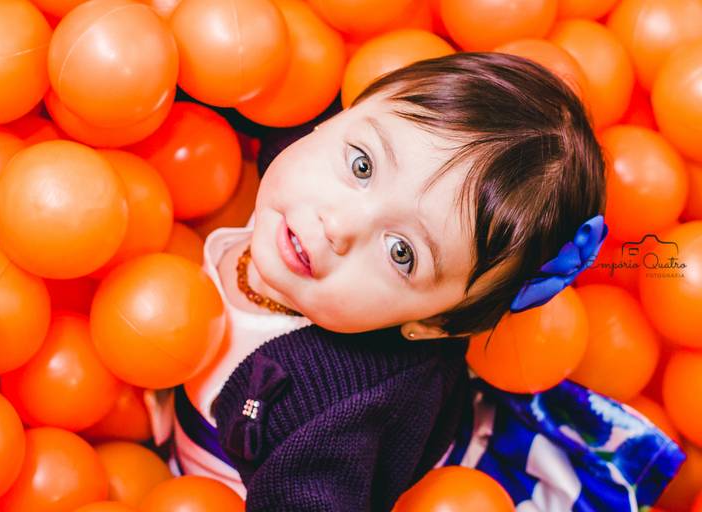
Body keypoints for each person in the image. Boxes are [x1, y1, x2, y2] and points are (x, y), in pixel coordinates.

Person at [145, 52, 683, 511]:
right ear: (335, 119)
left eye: (401, 252)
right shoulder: (307, 163)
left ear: (431, 324)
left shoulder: (329, 408)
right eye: (362, 166)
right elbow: (220, 76)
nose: (340, 224)